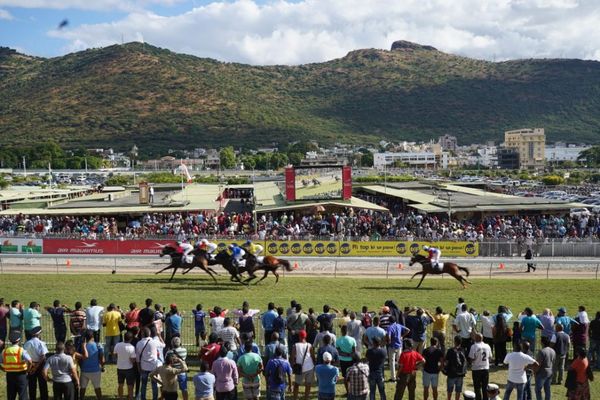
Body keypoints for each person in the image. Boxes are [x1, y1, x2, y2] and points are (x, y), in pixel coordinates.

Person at [1, 330, 32, 400]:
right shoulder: (21, 350)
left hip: (9, 375)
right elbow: (30, 361)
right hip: (21, 375)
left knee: (11, 395)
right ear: (19, 340)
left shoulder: (4, 351)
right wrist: (28, 370)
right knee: (23, 395)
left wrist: (3, 369)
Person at [23, 326, 49, 400]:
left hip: (31, 364)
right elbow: (43, 356)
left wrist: (33, 367)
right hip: (40, 365)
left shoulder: (27, 343)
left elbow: (25, 355)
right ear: (39, 334)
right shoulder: (41, 343)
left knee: (32, 385)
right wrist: (37, 366)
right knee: (43, 384)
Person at [79, 329, 104, 400]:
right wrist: (102, 366)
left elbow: (80, 358)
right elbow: (102, 359)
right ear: (93, 336)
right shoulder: (98, 345)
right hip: (95, 370)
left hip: (84, 370)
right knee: (97, 387)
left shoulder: (83, 345)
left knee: (83, 388)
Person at [291, 329, 315, 400]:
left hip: (299, 368)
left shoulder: (295, 345)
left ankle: (295, 398)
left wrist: (293, 366)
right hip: (309, 367)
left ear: (299, 336)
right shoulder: (309, 345)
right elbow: (313, 356)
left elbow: (292, 357)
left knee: (296, 384)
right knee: (308, 384)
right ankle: (306, 398)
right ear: (305, 336)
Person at [136, 327, 159, 400]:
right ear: (149, 334)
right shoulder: (154, 342)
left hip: (144, 365)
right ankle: (155, 398)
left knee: (143, 383)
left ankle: (143, 398)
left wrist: (138, 367)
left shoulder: (139, 343)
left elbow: (137, 358)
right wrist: (160, 336)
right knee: (154, 384)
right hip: (153, 366)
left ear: (142, 334)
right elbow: (163, 345)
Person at [386, 316, 410, 383]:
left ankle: (393, 378)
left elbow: (389, 336)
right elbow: (408, 330)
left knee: (392, 362)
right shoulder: (399, 325)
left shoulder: (389, 327)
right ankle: (400, 376)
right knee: (400, 361)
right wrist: (402, 336)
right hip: (399, 345)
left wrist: (389, 341)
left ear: (389, 321)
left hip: (392, 346)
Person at [114, 331, 137, 400]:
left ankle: (120, 397)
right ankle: (130, 398)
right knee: (130, 385)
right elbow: (133, 360)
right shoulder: (132, 347)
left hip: (120, 368)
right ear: (131, 339)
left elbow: (115, 354)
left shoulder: (118, 345)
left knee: (120, 385)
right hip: (129, 369)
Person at [468, 333, 491, 400]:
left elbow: (471, 358)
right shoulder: (487, 346)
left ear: (476, 338)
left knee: (477, 387)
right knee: (485, 387)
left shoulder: (474, 346)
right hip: (485, 368)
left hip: (476, 369)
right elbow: (490, 357)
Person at [444, 336, 467, 400]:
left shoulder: (450, 350)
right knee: (458, 390)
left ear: (454, 341)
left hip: (452, 373)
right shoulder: (463, 350)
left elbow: (446, 362)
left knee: (449, 390)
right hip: (460, 374)